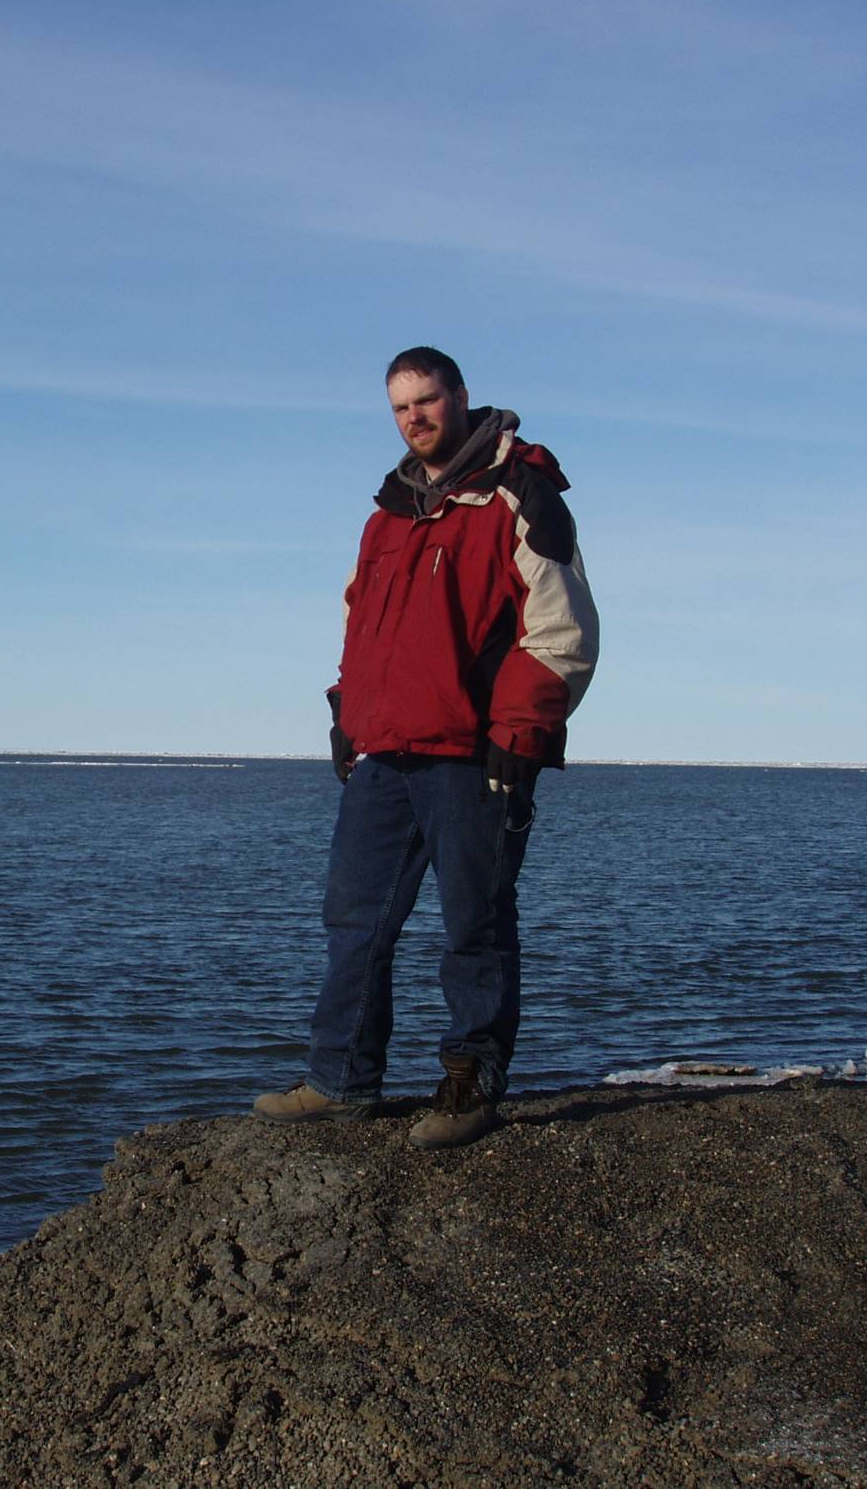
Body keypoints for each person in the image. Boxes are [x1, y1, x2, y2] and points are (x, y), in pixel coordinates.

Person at [254, 347, 599, 1149]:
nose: (415, 418)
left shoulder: (519, 494)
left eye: (427, 400)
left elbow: (562, 629)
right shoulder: (388, 515)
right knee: (354, 920)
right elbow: (361, 625)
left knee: (474, 923)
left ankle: (470, 1084)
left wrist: (520, 731)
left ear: (460, 396)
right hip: (385, 754)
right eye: (401, 407)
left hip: (475, 754)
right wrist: (348, 713)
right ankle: (342, 1081)